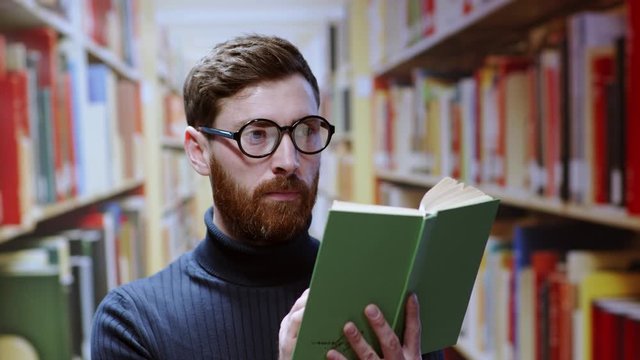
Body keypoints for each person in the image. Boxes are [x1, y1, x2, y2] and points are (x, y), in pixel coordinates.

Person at [91, 34, 444, 360]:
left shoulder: (388, 301)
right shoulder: (133, 323)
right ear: (199, 152)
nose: (289, 162)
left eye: (306, 131)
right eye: (257, 135)